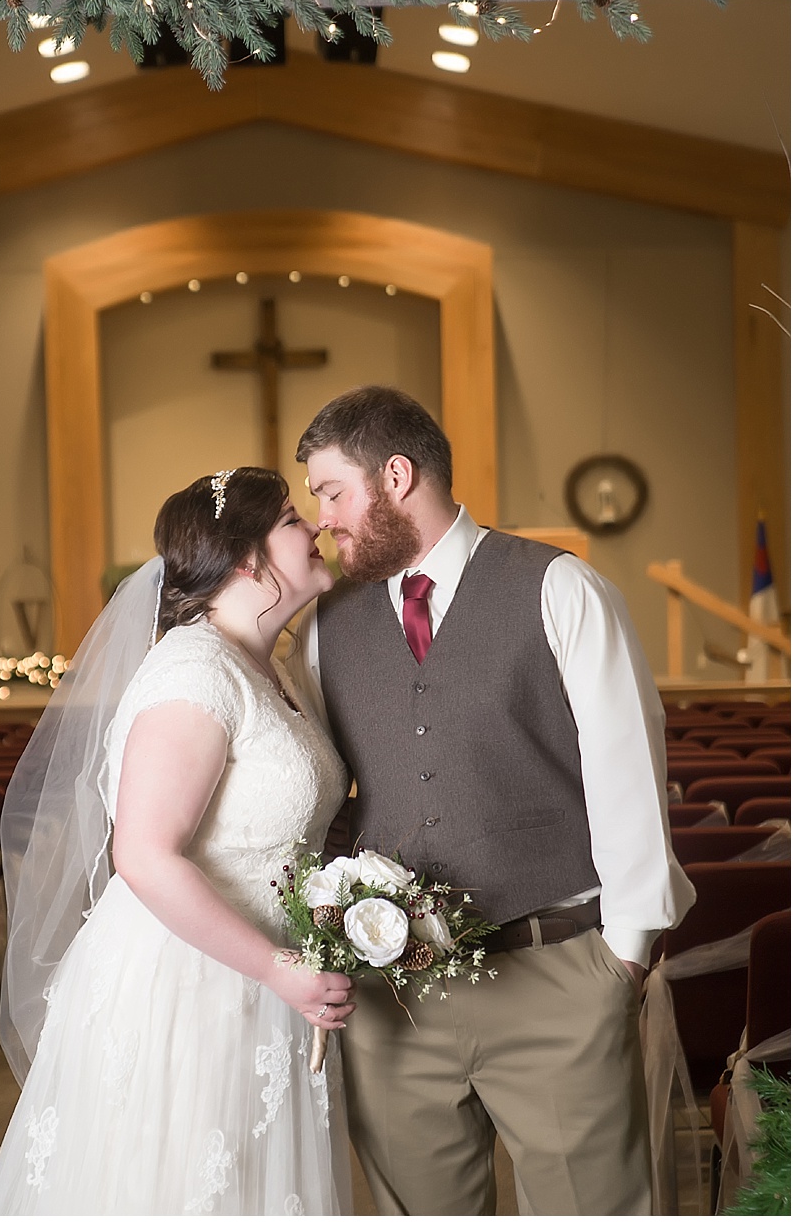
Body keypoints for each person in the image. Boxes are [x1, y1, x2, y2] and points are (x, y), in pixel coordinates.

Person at [289, 384, 693, 1215]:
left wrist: (619, 960)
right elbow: (325, 797)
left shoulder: (560, 588)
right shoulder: (326, 626)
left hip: (559, 975)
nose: (322, 518)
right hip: (395, 1002)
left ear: (395, 476)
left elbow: (627, 774)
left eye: (332, 492)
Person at [0, 468, 354, 1214]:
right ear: (247, 558)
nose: (313, 526)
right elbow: (145, 855)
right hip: (191, 983)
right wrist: (278, 968)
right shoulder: (193, 670)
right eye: (290, 518)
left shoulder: (269, 665)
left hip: (268, 980)